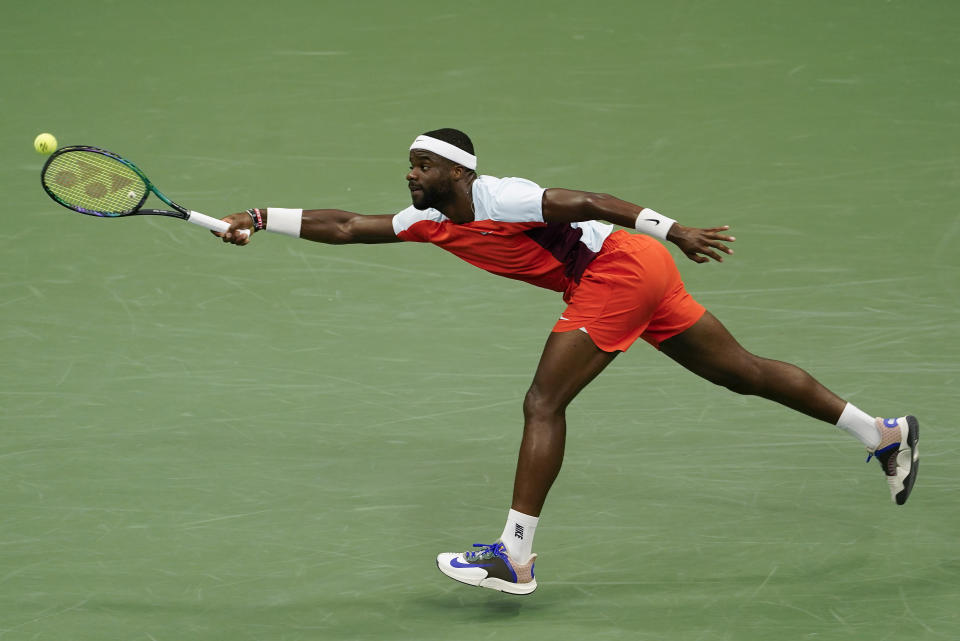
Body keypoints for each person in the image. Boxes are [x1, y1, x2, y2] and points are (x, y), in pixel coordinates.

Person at [216, 128, 919, 596]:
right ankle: (881, 432)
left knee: (542, 402)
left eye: (423, 164)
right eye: (410, 164)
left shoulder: (503, 196)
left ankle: (515, 554)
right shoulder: (426, 221)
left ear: (457, 171)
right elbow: (344, 225)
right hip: (632, 276)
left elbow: (589, 200)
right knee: (739, 371)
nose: (410, 173)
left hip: (617, 268)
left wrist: (674, 229)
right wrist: (257, 213)